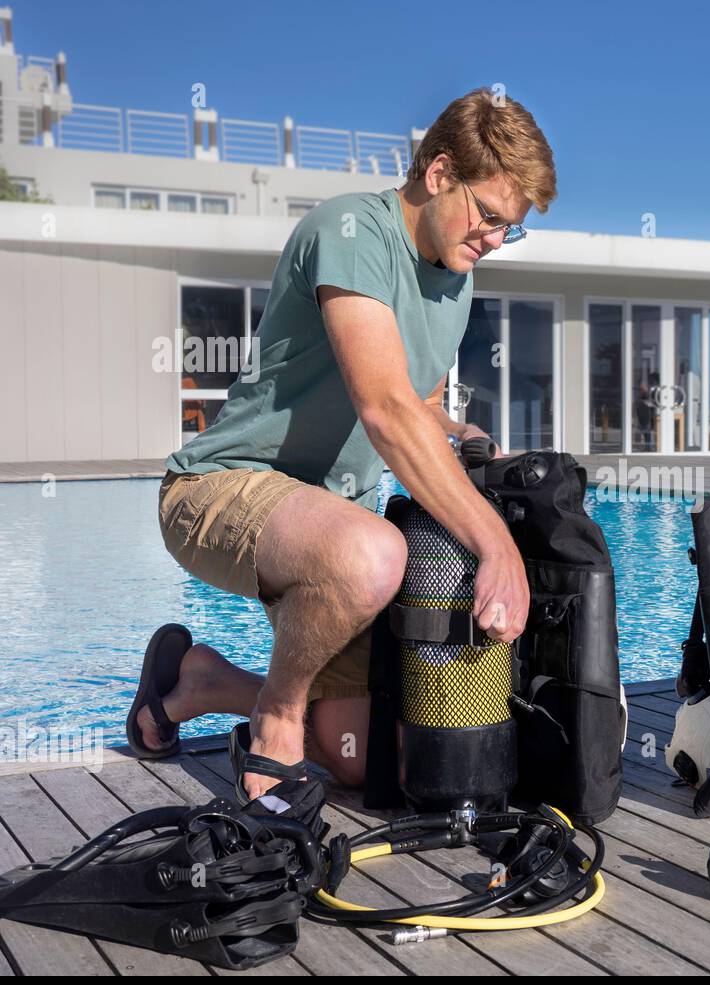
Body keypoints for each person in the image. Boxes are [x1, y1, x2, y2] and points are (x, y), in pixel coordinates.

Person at [127, 89, 557, 800]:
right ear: (440, 171)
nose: (492, 241)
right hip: (221, 488)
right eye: (489, 216)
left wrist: (460, 433)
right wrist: (495, 546)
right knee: (373, 556)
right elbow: (384, 408)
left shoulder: (454, 280)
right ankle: (277, 715)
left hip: (330, 516)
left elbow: (415, 401)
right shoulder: (352, 228)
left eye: (509, 230)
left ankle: (201, 682)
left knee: (361, 758)